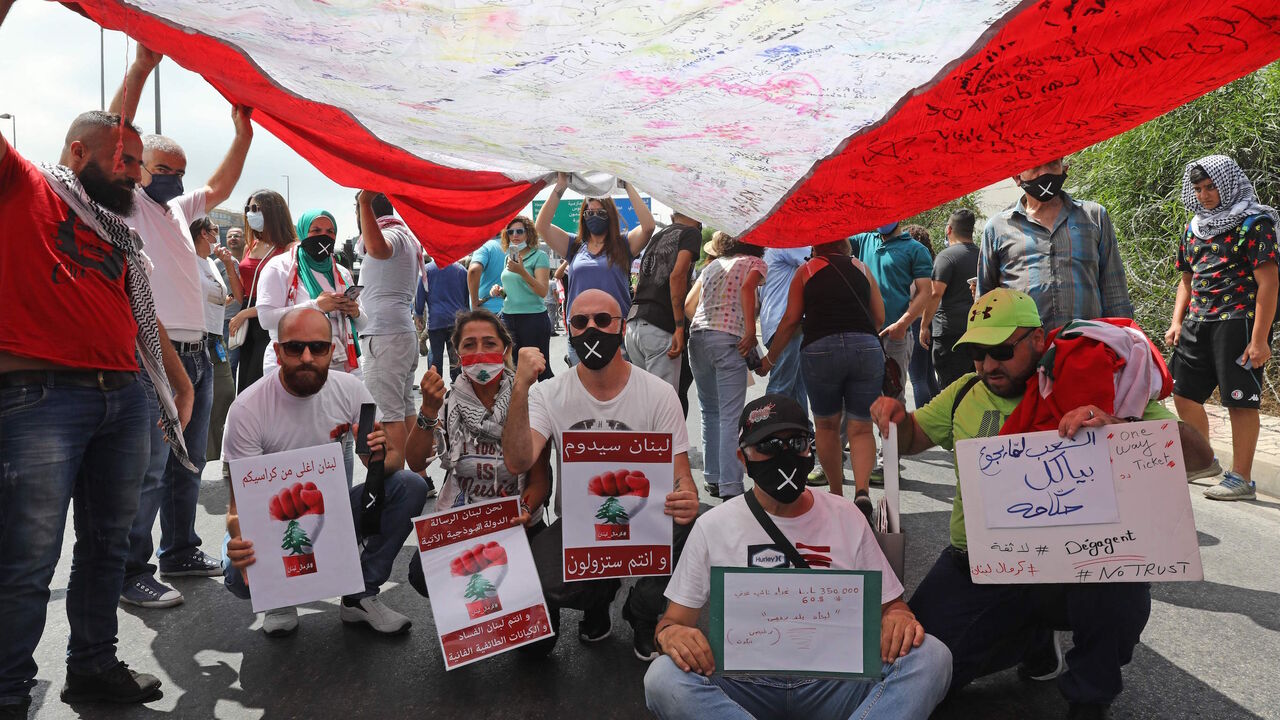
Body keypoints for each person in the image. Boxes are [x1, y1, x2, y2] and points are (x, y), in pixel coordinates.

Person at [869, 289, 1213, 720]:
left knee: (1120, 590)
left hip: (1078, 568)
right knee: (917, 670)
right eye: (978, 351)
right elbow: (915, 436)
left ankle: (1090, 697)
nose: (989, 364)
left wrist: (1120, 429)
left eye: (1001, 349)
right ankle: (1026, 638)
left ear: (1036, 340)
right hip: (979, 566)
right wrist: (896, 421)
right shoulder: (965, 393)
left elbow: (1200, 457)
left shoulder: (1097, 384)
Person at [1, 110, 193, 713]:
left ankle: (93, 665)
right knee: (28, 555)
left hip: (125, 396)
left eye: (139, 163)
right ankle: (6, 689)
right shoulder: (23, 185)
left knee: (109, 544)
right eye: (127, 160)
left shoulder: (119, 232)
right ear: (80, 152)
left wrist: (178, 382)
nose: (137, 175)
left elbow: (136, 312)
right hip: (39, 395)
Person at [644, 395, 952, 720]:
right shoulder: (712, 527)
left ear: (810, 448)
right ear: (742, 458)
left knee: (931, 657)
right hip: (745, 681)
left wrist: (898, 619)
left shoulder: (846, 516)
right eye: (768, 446)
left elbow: (892, 605)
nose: (785, 455)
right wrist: (670, 634)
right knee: (663, 677)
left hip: (837, 678)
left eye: (797, 442)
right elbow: (672, 622)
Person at [110, 46, 254, 607]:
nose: (172, 180)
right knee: (148, 469)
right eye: (161, 169)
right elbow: (117, 128)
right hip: (153, 351)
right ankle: (131, 570)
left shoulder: (175, 210)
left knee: (189, 461)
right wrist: (143, 68)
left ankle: (179, 550)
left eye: (179, 173)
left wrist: (241, 135)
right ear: (135, 165)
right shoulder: (125, 203)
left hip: (198, 351)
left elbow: (218, 190)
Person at [502, 289, 700, 662]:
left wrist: (686, 494)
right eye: (580, 322)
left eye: (603, 320)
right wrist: (520, 386)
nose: (592, 328)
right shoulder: (548, 394)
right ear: (569, 330)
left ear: (622, 327)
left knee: (697, 520)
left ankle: (642, 612)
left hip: (646, 522)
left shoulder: (659, 394)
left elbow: (681, 476)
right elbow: (518, 461)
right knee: (543, 581)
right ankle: (598, 597)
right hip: (582, 527)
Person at [221, 308, 428, 637]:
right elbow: (237, 508)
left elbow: (385, 468)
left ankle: (360, 596)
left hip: (332, 512)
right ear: (277, 351)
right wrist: (237, 540)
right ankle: (279, 597)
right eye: (294, 347)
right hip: (272, 520)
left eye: (317, 347)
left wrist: (381, 453)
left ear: (333, 351)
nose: (306, 357)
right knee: (235, 570)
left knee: (410, 486)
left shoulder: (351, 390)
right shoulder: (247, 410)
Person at [1166, 155, 1279, 500]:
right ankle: (1205, 461)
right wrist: (1176, 321)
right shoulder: (1194, 227)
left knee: (1240, 402)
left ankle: (1241, 478)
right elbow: (1187, 279)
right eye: (1198, 188)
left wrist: (1260, 340)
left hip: (1238, 323)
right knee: (1182, 393)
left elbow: (1270, 283)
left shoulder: (1255, 224)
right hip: (1197, 323)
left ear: (1227, 183)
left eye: (1211, 186)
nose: (1204, 194)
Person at [759, 237, 885, 515]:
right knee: (862, 426)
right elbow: (879, 317)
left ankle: (837, 496)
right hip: (865, 347)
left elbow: (791, 319)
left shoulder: (806, 271)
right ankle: (862, 492)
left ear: (815, 247)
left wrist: (770, 359)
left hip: (821, 349)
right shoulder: (863, 268)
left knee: (827, 426)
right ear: (845, 246)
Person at [976, 157, 1133, 333]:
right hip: (1025, 353)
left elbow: (1115, 292)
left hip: (1088, 349)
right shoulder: (998, 228)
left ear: (1064, 169)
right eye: (1035, 166)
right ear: (1016, 177)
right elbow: (986, 300)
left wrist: (1124, 341)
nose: (1044, 173)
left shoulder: (1094, 217)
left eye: (1052, 164)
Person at [534, 172, 656, 364]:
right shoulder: (573, 245)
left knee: (617, 389)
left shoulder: (623, 244)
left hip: (614, 329)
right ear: (583, 216)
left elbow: (648, 226)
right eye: (590, 212)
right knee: (580, 389)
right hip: (580, 328)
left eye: (600, 213)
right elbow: (541, 226)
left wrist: (627, 184)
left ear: (610, 216)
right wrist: (561, 185)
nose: (594, 216)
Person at [687, 233, 766, 500]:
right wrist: (748, 331)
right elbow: (746, 289)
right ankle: (731, 487)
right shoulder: (754, 262)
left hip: (697, 337)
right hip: (728, 339)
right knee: (731, 416)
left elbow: (690, 304)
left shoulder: (711, 266)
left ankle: (712, 477)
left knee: (710, 411)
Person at [354, 191, 425, 465]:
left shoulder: (392, 235)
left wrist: (363, 203)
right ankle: (418, 476)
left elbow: (378, 249)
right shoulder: (406, 235)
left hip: (385, 335)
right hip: (398, 333)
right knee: (405, 407)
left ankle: (396, 479)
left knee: (388, 413)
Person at [255, 209, 363, 380]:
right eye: (316, 231)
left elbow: (364, 325)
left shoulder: (341, 273)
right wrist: (315, 306)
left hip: (340, 362)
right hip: (293, 362)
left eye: (330, 231)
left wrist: (354, 312)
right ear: (303, 232)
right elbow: (265, 319)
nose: (324, 236)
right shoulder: (280, 267)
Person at [849, 221, 933, 404]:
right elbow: (836, 240)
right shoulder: (863, 240)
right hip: (864, 336)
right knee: (861, 400)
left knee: (893, 400)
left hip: (894, 337)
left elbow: (926, 291)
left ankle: (894, 434)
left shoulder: (915, 249)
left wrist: (902, 325)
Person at [626, 211, 702, 391]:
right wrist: (679, 326)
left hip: (634, 324)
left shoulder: (658, 236)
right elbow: (677, 276)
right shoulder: (691, 233)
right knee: (663, 404)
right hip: (659, 328)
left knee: (644, 400)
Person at [230, 190, 296, 391]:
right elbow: (242, 294)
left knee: (261, 382)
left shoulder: (289, 247)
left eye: (256, 208)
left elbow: (288, 296)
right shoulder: (251, 246)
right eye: (248, 209)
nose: (250, 213)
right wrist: (227, 265)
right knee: (245, 383)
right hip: (247, 324)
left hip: (269, 322)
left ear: (272, 212)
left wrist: (246, 313)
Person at [191, 217, 245, 462]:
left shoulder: (214, 264)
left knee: (224, 393)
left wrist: (227, 264)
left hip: (216, 341)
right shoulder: (187, 260)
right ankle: (195, 455)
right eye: (215, 231)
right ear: (204, 234)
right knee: (194, 401)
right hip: (194, 340)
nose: (219, 235)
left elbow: (236, 295)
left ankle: (212, 453)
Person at [923, 208, 981, 388]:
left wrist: (924, 325)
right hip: (977, 331)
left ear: (948, 229)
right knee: (974, 387)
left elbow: (935, 293)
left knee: (951, 390)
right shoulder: (982, 254)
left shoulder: (946, 257)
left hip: (949, 334)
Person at [497, 215, 554, 380]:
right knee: (511, 370)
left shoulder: (539, 257)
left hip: (533, 318)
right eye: (510, 232)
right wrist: (500, 291)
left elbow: (543, 291)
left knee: (541, 369)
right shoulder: (508, 258)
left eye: (519, 231)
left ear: (528, 234)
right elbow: (511, 290)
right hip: (508, 318)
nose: (515, 235)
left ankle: (547, 404)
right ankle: (517, 404)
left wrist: (521, 271)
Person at [760, 246, 811, 413]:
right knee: (780, 388)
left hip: (774, 326)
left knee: (796, 389)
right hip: (786, 327)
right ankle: (767, 431)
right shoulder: (785, 246)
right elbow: (817, 258)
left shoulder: (765, 253)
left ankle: (805, 433)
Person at [904, 225, 941, 408]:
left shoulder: (911, 264)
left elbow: (910, 295)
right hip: (930, 321)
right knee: (928, 376)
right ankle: (936, 417)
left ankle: (923, 422)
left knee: (917, 378)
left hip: (914, 322)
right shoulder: (931, 264)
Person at [421, 256, 470, 383]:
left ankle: (434, 383)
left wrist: (418, 313)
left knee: (436, 354)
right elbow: (466, 298)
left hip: (436, 320)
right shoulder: (461, 270)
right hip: (457, 320)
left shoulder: (426, 271)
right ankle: (458, 384)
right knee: (456, 355)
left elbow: (420, 295)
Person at [222, 227, 246, 380]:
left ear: (245, 239)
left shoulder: (250, 261)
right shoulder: (218, 263)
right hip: (228, 322)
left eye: (237, 235)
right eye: (230, 236)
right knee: (230, 364)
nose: (233, 238)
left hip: (250, 319)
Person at [468, 235, 506, 314]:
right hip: (512, 311)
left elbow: (474, 270)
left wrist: (474, 303)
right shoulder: (515, 246)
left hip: (487, 313)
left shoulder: (486, 245)